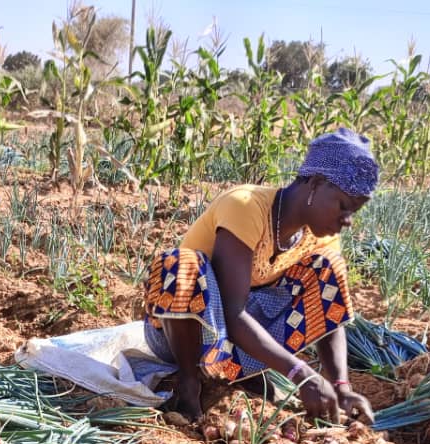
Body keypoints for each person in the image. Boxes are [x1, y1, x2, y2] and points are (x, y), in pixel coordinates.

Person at [142, 128, 378, 424]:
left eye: (354, 212)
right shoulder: (246, 206)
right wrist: (301, 373)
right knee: (180, 263)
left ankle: (238, 375)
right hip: (182, 336)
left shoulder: (321, 238)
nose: (347, 221)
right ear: (316, 184)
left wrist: (341, 388)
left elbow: (329, 315)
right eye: (344, 206)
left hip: (238, 345)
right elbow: (232, 310)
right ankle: (189, 384)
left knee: (327, 268)